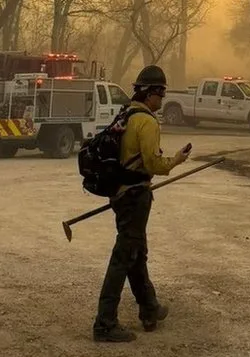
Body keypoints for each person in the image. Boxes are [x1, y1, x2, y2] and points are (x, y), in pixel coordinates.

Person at [93, 64, 191, 343]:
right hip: (135, 196)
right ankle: (104, 323)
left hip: (121, 195)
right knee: (124, 257)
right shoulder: (147, 122)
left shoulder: (126, 114)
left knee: (136, 252)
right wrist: (176, 160)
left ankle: (149, 308)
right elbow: (152, 163)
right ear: (151, 94)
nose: (162, 100)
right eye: (161, 94)